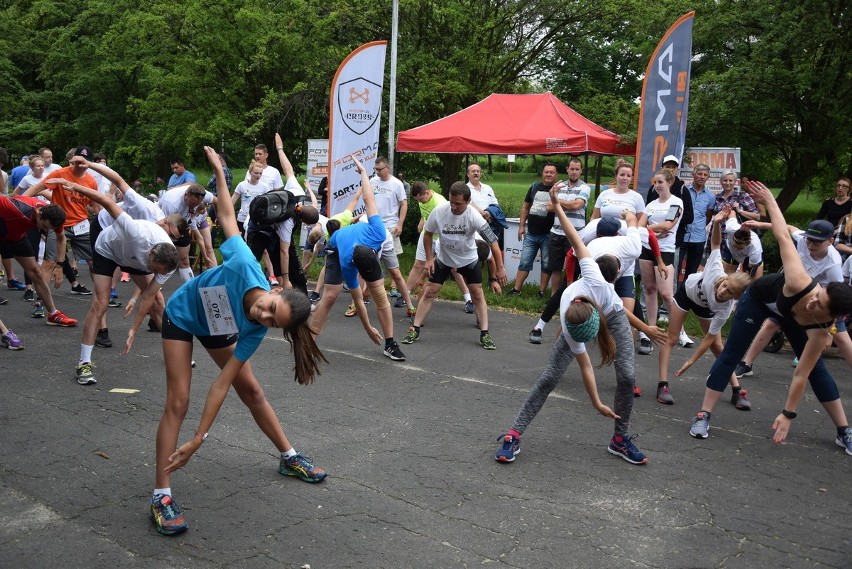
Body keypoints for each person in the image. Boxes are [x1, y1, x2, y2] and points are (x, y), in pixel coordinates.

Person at [149, 145, 327, 536]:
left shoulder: (256, 329)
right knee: (177, 401)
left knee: (253, 392)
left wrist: (200, 438)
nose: (262, 315)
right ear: (274, 289)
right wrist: (220, 174)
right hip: (182, 314)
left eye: (271, 321)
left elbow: (222, 383)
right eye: (268, 307)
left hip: (216, 329)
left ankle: (289, 455)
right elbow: (227, 216)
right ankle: (161, 494)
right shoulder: (247, 265)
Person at [495, 186, 666, 466]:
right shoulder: (568, 319)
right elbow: (586, 366)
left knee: (626, 376)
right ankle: (514, 434)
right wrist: (597, 402)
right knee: (549, 378)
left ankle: (619, 440)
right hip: (586, 316)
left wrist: (557, 206)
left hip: (612, 312)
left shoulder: (596, 278)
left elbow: (575, 238)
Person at [688, 180, 852, 457]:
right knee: (731, 354)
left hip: (791, 317)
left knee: (817, 370)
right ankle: (704, 414)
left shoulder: (821, 329)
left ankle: (843, 430)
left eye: (819, 303)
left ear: (830, 315)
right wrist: (770, 202)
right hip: (760, 300)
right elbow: (784, 236)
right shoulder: (801, 281)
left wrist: (788, 414)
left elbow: (801, 374)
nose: (813, 298)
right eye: (817, 294)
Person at [42, 171, 181, 385]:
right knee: (101, 303)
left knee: (159, 302)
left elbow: (149, 297)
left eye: (159, 272)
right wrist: (70, 184)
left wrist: (133, 330)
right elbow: (105, 200)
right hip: (107, 249)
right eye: (155, 269)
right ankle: (83, 364)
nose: (157, 273)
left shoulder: (169, 262)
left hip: (134, 259)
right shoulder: (135, 231)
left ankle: (174, 355)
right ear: (152, 254)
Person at [309, 157, 407, 361]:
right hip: (337, 247)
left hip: (362, 245)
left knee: (380, 296)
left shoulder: (378, 232)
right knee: (330, 296)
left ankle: (390, 343)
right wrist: (368, 328)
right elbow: (359, 302)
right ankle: (307, 341)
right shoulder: (347, 264)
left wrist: (364, 173)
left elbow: (369, 200)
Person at [657, 208, 751, 407]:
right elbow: (716, 243)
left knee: (718, 346)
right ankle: (662, 385)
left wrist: (691, 361)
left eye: (728, 292)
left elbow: (708, 340)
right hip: (686, 294)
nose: (722, 291)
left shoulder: (725, 309)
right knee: (671, 338)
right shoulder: (717, 270)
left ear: (735, 297)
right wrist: (717, 223)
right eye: (724, 285)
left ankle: (736, 389)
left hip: (704, 307)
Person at [734, 218, 851, 376]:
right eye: (809, 240)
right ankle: (746, 364)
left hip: (823, 303)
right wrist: (760, 225)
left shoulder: (834, 265)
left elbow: (837, 299)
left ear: (830, 241)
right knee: (771, 324)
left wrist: (831, 328)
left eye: (817, 243)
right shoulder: (803, 239)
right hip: (794, 295)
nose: (810, 245)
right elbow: (787, 227)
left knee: (842, 339)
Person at [401, 182, 508, 350]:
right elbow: (428, 234)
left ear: (468, 201)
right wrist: (429, 259)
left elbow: (493, 242)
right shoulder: (440, 211)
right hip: (444, 258)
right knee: (430, 291)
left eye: (458, 203)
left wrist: (500, 269)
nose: (454, 207)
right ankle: (414, 328)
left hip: (468, 260)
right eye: (451, 202)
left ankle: (485, 333)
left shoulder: (474, 215)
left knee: (477, 294)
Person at [22, 146, 98, 296]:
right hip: (58, 224)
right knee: (49, 262)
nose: (80, 165)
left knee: (95, 262)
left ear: (88, 163)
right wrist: (21, 205)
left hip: (81, 225)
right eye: (77, 161)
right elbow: (37, 188)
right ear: (73, 160)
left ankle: (102, 296)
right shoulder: (60, 174)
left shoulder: (91, 181)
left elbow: (95, 207)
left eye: (84, 162)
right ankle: (40, 302)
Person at [0, 194, 78, 327]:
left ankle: (53, 314)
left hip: (15, 237)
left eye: (48, 228)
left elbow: (61, 238)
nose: (43, 229)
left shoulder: (54, 217)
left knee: (36, 272)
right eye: (43, 225)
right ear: (38, 214)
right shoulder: (16, 208)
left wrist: (59, 265)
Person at [638, 168, 686, 352]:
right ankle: (651, 329)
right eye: (655, 182)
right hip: (647, 249)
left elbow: (668, 225)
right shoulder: (650, 205)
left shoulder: (676, 202)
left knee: (666, 294)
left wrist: (651, 228)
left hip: (665, 250)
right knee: (649, 289)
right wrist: (653, 231)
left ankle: (680, 330)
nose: (657, 186)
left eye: (661, 182)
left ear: (669, 182)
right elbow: (640, 227)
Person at [508, 163, 557, 296]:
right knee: (524, 261)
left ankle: (541, 292)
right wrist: (521, 226)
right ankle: (516, 290)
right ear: (543, 173)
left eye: (551, 172)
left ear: (556, 175)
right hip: (531, 233)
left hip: (549, 234)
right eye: (546, 172)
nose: (548, 174)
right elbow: (525, 207)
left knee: (546, 264)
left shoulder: (558, 190)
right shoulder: (534, 187)